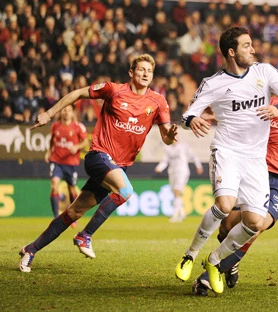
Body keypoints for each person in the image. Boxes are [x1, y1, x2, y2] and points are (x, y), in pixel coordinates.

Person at [19, 54, 178, 273]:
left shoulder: (158, 101)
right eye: (140, 69)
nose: (145, 74)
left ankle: (31, 249)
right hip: (98, 156)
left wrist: (171, 134)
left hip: (117, 166)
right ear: (131, 73)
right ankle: (85, 235)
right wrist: (49, 113)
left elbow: (166, 138)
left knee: (73, 212)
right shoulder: (114, 90)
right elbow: (77, 93)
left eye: (149, 71)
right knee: (125, 190)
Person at [192, 59, 278, 296]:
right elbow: (242, 115)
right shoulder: (275, 102)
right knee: (228, 226)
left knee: (257, 225)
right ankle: (231, 261)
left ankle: (208, 276)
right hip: (253, 169)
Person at [175, 26, 278, 294]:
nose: (253, 49)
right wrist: (193, 119)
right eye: (246, 46)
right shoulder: (213, 83)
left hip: (255, 159)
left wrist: (277, 108)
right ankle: (190, 254)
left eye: (252, 44)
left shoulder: (264, 72)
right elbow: (187, 116)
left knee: (254, 222)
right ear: (231, 52)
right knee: (224, 204)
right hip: (227, 151)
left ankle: (215, 260)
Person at [45, 105, 89, 228]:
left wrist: (76, 147)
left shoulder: (78, 127)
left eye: (69, 110)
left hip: (71, 163)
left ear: (72, 113)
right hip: (57, 161)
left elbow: (85, 142)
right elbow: (52, 140)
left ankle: (72, 216)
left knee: (72, 189)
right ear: (61, 112)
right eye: (64, 110)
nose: (66, 112)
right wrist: (49, 151)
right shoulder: (55, 126)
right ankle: (55, 217)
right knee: (54, 185)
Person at [154, 139, 204, 223]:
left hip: (182, 171)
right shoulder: (167, 148)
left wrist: (198, 166)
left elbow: (193, 156)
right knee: (175, 193)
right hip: (172, 172)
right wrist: (159, 168)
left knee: (177, 191)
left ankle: (175, 215)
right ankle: (182, 213)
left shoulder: (184, 146)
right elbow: (165, 160)